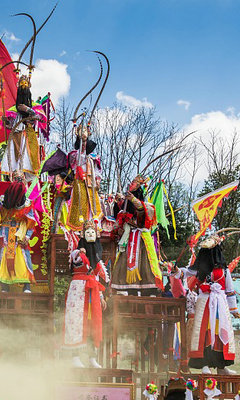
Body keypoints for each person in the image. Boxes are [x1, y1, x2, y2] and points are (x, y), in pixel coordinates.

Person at [171, 234, 239, 375]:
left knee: (220, 332)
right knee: (204, 332)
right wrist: (176, 271)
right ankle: (205, 365)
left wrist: (234, 309)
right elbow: (185, 272)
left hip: (220, 304)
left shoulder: (224, 271)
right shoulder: (200, 268)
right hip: (204, 301)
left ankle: (221, 366)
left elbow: (230, 290)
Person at [63, 220, 109, 368]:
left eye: (93, 232)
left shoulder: (98, 260)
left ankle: (91, 357)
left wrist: (101, 296)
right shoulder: (76, 253)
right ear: (83, 235)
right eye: (87, 232)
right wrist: (79, 252)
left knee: (92, 323)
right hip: (78, 290)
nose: (90, 234)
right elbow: (75, 260)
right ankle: (74, 356)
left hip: (93, 291)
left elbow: (96, 277)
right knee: (76, 322)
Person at [110, 175, 163, 295]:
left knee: (145, 265)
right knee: (124, 263)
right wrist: (119, 203)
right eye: (131, 182)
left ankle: (148, 291)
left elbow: (143, 210)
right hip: (128, 238)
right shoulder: (124, 206)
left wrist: (133, 199)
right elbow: (118, 220)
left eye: (134, 183)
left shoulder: (147, 206)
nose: (131, 184)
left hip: (141, 238)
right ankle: (129, 291)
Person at [0, 170, 36, 293]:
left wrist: (27, 236)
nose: (18, 180)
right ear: (12, 179)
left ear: (24, 180)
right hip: (5, 232)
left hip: (19, 233)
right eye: (16, 178)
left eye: (21, 178)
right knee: (3, 258)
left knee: (22, 259)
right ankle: (4, 286)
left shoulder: (27, 202)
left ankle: (26, 285)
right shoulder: (3, 199)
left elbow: (31, 222)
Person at [1, 75, 43, 181]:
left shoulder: (35, 106)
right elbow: (11, 125)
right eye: (21, 84)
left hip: (28, 136)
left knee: (26, 160)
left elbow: (39, 118)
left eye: (25, 84)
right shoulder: (13, 109)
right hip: (15, 136)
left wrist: (28, 109)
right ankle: (14, 178)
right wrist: (7, 122)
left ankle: (24, 179)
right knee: (14, 160)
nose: (23, 86)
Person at [67, 125, 103, 231]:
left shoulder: (94, 156)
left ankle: (93, 226)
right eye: (80, 131)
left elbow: (97, 170)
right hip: (79, 180)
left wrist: (97, 180)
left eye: (85, 131)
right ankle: (79, 227)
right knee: (79, 202)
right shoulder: (75, 154)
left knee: (92, 202)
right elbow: (74, 165)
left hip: (90, 181)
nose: (83, 133)